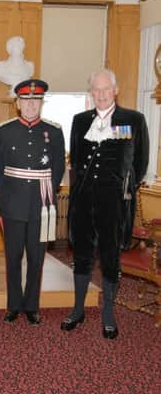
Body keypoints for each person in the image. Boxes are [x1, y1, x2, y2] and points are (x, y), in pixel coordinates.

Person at [62, 69, 149, 339]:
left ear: (115, 90)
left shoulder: (132, 119)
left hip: (114, 202)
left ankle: (108, 314)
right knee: (82, 255)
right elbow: (75, 160)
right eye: (95, 90)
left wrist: (121, 188)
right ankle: (78, 309)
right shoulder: (79, 121)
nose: (100, 94)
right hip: (83, 200)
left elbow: (140, 163)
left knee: (110, 256)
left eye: (105, 89)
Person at [0, 79, 65, 325]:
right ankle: (14, 305)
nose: (31, 105)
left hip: (40, 205)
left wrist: (45, 194)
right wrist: (7, 197)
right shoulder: (4, 131)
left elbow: (57, 170)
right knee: (12, 257)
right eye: (26, 100)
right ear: (17, 103)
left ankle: (32, 305)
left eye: (36, 100)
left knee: (36, 258)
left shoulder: (54, 132)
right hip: (12, 205)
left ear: (42, 102)